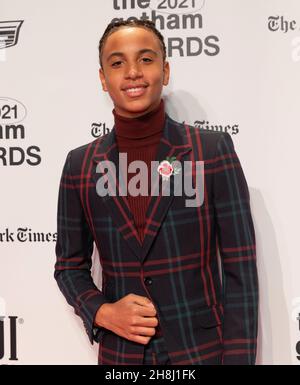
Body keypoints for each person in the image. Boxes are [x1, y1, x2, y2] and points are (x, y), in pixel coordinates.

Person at [54, 19, 259, 365]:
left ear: (164, 72)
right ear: (103, 79)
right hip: (122, 357)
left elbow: (241, 270)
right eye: (117, 63)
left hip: (202, 354)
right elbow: (68, 266)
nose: (132, 72)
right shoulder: (80, 165)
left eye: (146, 59)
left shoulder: (211, 150)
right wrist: (102, 311)